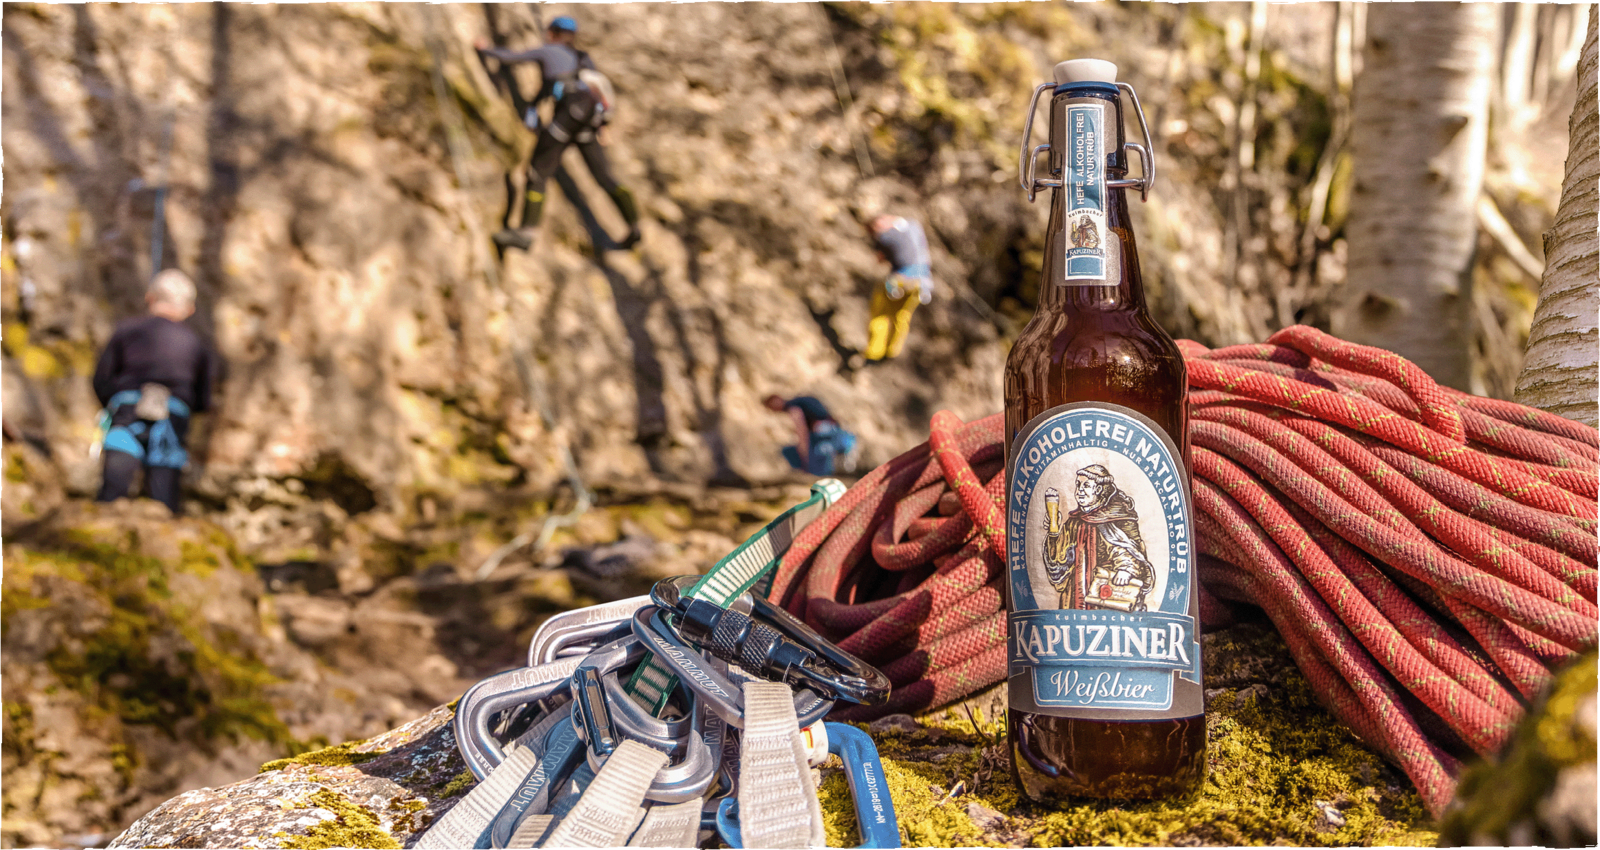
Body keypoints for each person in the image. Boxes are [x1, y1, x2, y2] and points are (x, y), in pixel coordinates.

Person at [476, 16, 641, 252]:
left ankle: (526, 233)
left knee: (537, 172)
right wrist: (602, 125)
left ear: (552, 33)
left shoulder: (548, 51)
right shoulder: (582, 58)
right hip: (588, 123)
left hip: (565, 120)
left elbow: (512, 58)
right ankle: (634, 226)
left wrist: (484, 49)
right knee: (605, 177)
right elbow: (596, 91)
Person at [92, 269, 220, 514]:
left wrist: (114, 404)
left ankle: (100, 534)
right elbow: (203, 399)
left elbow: (101, 379)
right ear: (189, 308)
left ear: (150, 298)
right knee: (163, 499)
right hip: (172, 420)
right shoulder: (196, 345)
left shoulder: (125, 331)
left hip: (127, 413)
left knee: (112, 491)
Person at [1041, 465, 1156, 612]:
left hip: (1106, 592)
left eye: (1086, 485)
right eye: (1078, 485)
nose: (1080, 490)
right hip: (1074, 593)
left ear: (1099, 490)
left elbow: (1124, 548)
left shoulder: (1116, 517)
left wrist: (1125, 569)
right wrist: (1054, 530)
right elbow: (1059, 561)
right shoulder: (1074, 521)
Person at [864, 214, 935, 361]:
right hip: (922, 282)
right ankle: (892, 351)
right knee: (902, 316)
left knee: (880, 314)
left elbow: (880, 259)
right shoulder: (914, 225)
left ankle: (874, 352)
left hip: (901, 280)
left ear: (880, 223)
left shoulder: (884, 237)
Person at [764, 394, 858, 477]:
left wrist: (804, 454)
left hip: (825, 433)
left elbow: (802, 431)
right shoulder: (799, 402)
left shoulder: (793, 408)